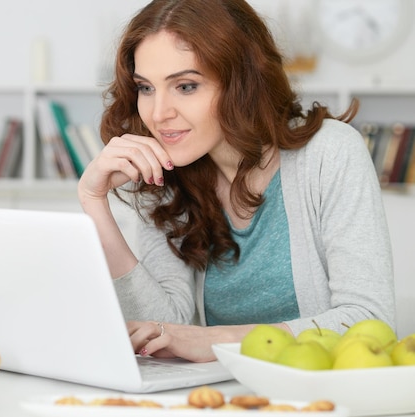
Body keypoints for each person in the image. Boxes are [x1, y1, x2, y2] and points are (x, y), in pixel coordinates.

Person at [77, 0, 395, 363]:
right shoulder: (163, 179)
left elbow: (369, 320)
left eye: (185, 86)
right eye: (146, 88)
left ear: (241, 82)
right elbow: (162, 330)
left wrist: (218, 340)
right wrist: (93, 200)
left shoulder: (330, 153)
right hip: (218, 399)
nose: (159, 113)